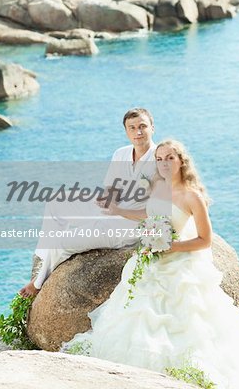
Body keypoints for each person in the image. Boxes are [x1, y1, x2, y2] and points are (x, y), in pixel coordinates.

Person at [62, 139, 239, 389]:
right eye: (160, 159)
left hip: (179, 264)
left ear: (181, 161)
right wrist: (118, 210)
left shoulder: (192, 196)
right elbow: (149, 214)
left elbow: (204, 240)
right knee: (136, 309)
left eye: (170, 158)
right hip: (151, 259)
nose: (164, 163)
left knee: (182, 319)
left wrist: (170, 247)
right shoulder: (157, 187)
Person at [19, 108, 157, 297]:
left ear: (152, 128)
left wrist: (117, 210)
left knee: (62, 242)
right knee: (55, 202)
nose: (138, 132)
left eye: (143, 126)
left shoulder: (160, 158)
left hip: (131, 225)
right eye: (132, 128)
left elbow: (158, 211)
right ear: (126, 131)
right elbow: (111, 187)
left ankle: (38, 283)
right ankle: (42, 257)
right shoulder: (121, 153)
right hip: (113, 208)